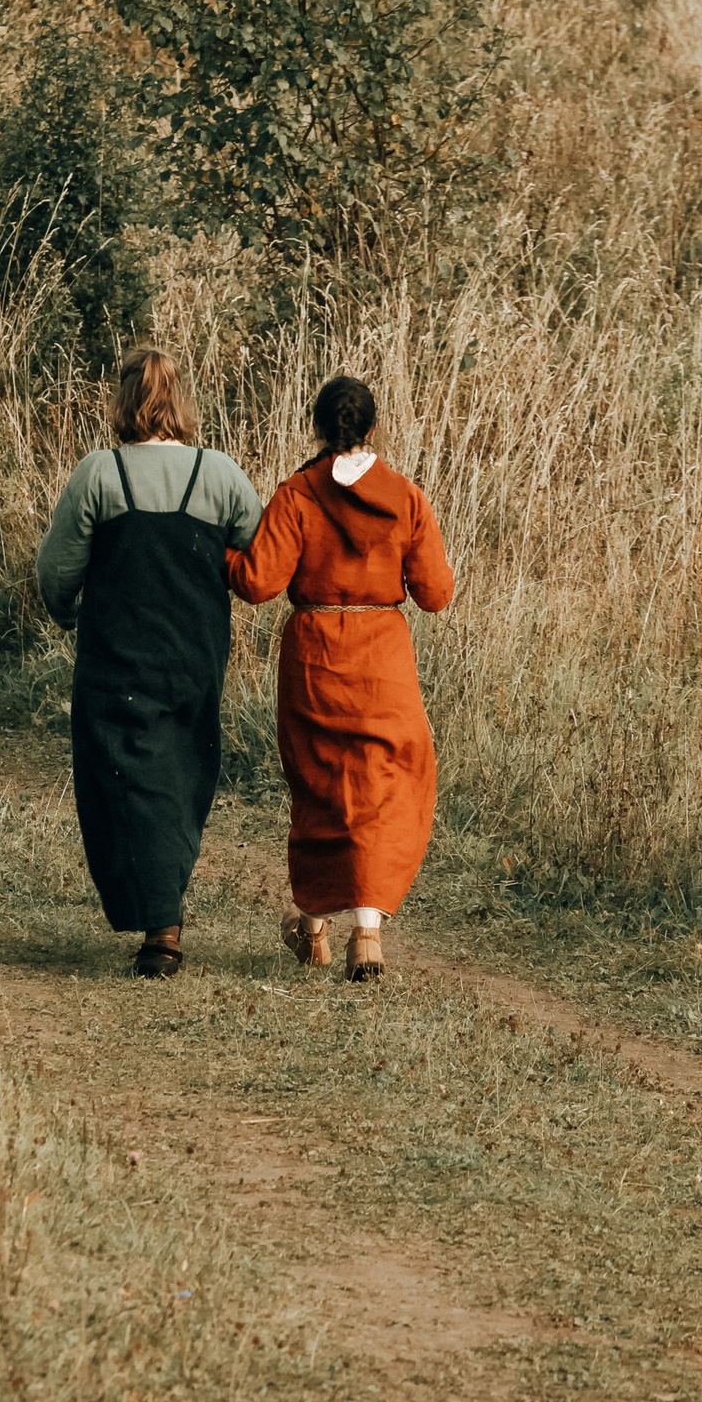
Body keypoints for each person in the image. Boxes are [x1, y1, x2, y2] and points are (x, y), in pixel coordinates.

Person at [36, 349, 263, 977]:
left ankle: (161, 924)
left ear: (123, 400)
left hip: (115, 656)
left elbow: (56, 571)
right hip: (195, 655)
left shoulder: (98, 474)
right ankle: (164, 912)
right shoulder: (220, 475)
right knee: (182, 777)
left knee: (121, 779)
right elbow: (261, 559)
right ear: (180, 402)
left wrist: (64, 613)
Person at [224, 376, 453, 981]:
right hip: (383, 661)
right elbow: (436, 594)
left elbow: (258, 583)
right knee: (385, 786)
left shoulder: (297, 493)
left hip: (316, 657)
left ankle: (314, 927)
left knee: (320, 785)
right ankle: (367, 936)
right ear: (373, 428)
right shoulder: (406, 497)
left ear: (318, 428)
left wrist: (216, 551)